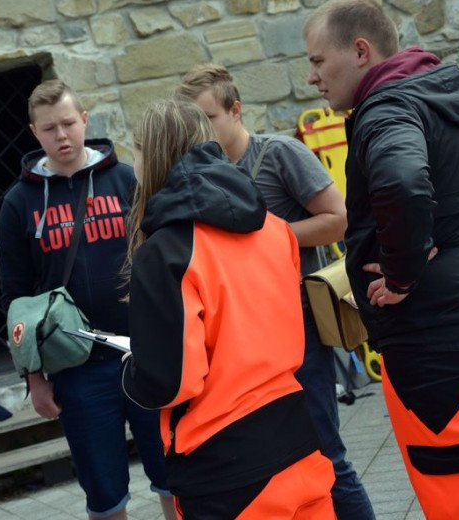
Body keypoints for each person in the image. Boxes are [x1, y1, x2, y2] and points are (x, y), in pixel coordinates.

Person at [304, 0, 459, 519]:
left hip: (438, 355)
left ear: (361, 51)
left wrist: (402, 272)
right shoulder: (438, 96)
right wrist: (450, 237)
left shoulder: (388, 107)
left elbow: (404, 182)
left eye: (318, 61)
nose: (313, 78)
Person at [174, 64, 374, 520]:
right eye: (194, 122)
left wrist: (265, 235)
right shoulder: (200, 174)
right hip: (241, 343)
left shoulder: (279, 152)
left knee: (327, 455)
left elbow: (339, 219)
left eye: (209, 118)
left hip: (296, 325)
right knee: (283, 467)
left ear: (236, 109)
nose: (201, 131)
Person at [119, 99, 336, 519]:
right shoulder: (275, 229)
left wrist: (134, 368)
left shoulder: (166, 252)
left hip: (225, 465)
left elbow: (171, 382)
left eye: (136, 150)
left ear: (153, 155)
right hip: (297, 439)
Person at [0, 80, 174, 520]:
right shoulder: (19, 203)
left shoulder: (127, 179)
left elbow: (165, 259)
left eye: (69, 123)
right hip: (76, 366)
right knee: (104, 493)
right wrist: (34, 379)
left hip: (145, 352)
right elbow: (16, 298)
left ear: (85, 121)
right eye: (49, 128)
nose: (61, 135)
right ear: (34, 133)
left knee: (175, 475)